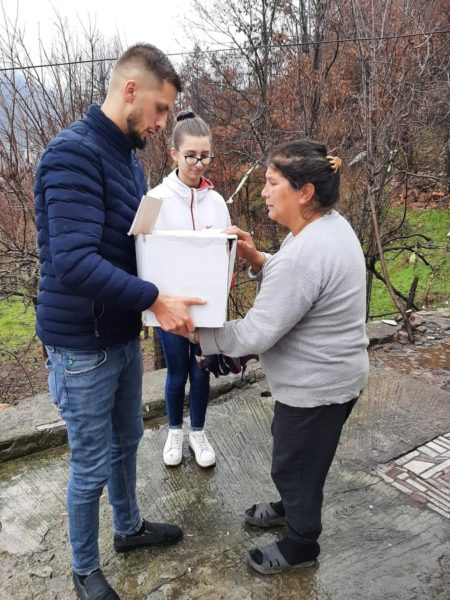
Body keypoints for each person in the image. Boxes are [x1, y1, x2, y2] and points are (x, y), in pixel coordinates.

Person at [34, 44, 205, 600]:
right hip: (81, 345)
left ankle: (128, 529)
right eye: (160, 109)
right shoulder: (72, 155)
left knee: (128, 437)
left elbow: (128, 243)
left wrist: (196, 254)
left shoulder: (127, 157)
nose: (162, 123)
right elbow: (74, 263)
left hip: (120, 333)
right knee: (90, 463)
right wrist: (155, 298)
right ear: (130, 90)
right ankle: (84, 569)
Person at [190, 140, 369, 574]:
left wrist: (198, 333)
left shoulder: (306, 252)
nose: (264, 192)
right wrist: (257, 259)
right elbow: (299, 282)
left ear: (304, 192)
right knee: (298, 456)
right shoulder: (325, 227)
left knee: (296, 466)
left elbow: (256, 332)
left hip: (317, 388)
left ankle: (301, 545)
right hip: (332, 379)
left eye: (272, 183)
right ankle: (292, 505)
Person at [150, 110, 231, 468]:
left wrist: (222, 292)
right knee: (176, 373)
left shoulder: (217, 202)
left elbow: (227, 255)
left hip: (206, 308)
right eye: (191, 156)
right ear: (173, 154)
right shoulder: (156, 199)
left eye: (205, 156)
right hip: (169, 308)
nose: (199, 164)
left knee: (201, 371)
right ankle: (174, 431)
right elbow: (142, 254)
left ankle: (198, 432)